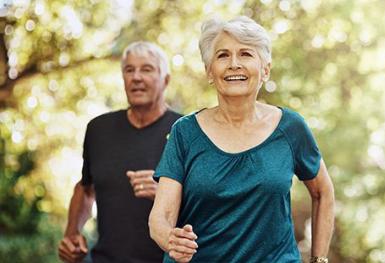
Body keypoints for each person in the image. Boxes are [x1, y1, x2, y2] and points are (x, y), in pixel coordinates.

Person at [148, 16, 335, 263]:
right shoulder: (185, 133)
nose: (234, 64)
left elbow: (323, 192)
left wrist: (318, 259)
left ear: (265, 70)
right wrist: (171, 239)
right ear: (209, 71)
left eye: (245, 54)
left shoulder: (290, 128)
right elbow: (160, 218)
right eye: (222, 55)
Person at [58, 41, 181, 263]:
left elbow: (207, 202)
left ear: (166, 80)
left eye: (147, 69)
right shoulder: (98, 129)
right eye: (129, 70)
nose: (136, 77)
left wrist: (166, 195)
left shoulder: (185, 131)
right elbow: (86, 189)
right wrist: (72, 233)